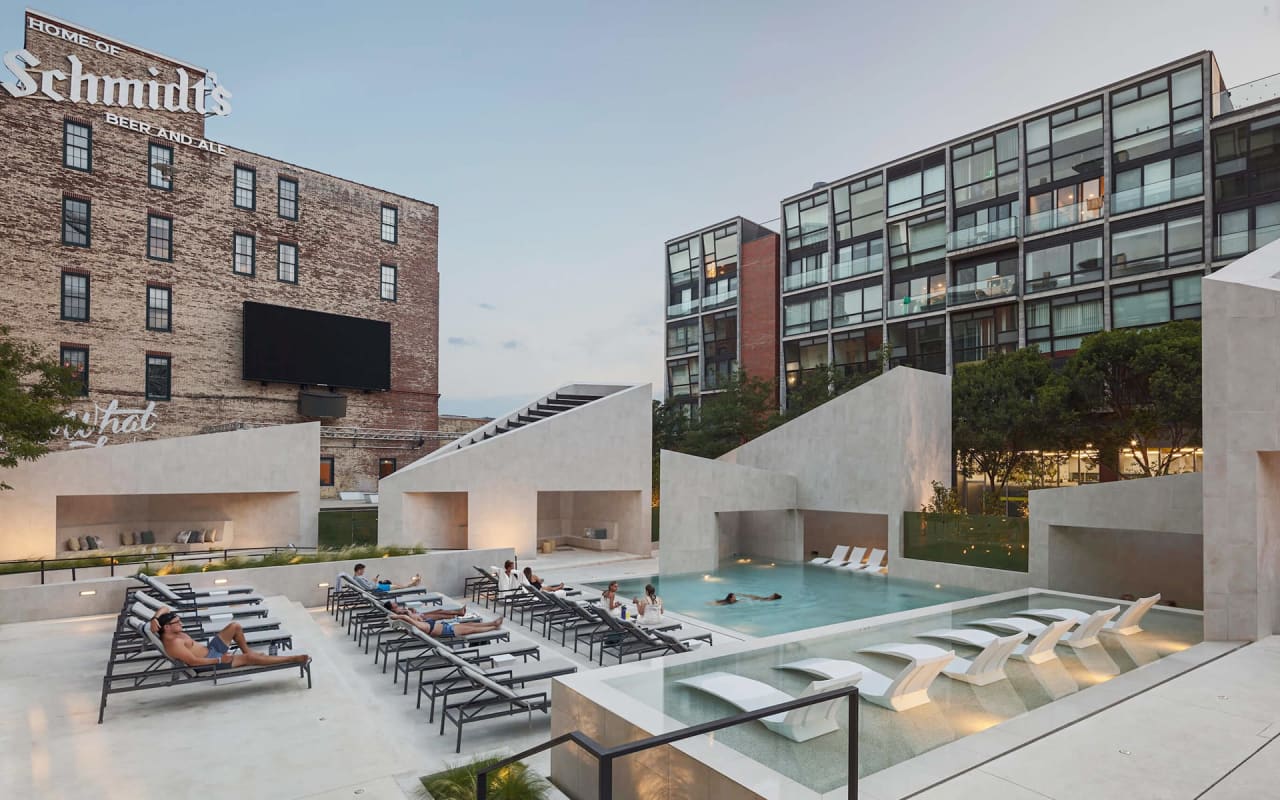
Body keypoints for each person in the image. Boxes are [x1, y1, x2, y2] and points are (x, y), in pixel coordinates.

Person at [150, 607, 309, 668]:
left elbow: (165, 608)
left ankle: (249, 652)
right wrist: (219, 660)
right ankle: (292, 659)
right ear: (167, 627)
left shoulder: (170, 629)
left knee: (235, 626)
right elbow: (193, 662)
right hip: (209, 662)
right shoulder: (174, 643)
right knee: (248, 659)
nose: (181, 623)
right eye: (176, 622)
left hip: (210, 649)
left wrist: (154, 618)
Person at [386, 604, 504, 638]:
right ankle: (494, 627)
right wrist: (397, 617)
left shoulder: (418, 626)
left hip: (445, 627)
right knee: (472, 629)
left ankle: (493, 623)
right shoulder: (420, 626)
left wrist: (402, 616)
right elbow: (406, 618)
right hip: (448, 631)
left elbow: (408, 619)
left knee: (470, 624)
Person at [350, 562, 420, 592]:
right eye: (362, 570)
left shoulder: (355, 578)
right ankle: (413, 583)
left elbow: (367, 586)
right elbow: (369, 588)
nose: (363, 571)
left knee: (397, 585)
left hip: (378, 586)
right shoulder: (358, 579)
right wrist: (374, 581)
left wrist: (373, 581)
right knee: (398, 586)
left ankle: (413, 583)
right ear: (359, 570)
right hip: (377, 589)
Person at [382, 599, 468, 621]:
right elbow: (409, 616)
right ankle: (458, 616)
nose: (394, 602)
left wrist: (411, 609)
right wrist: (409, 611)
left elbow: (409, 612)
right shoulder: (397, 612)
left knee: (440, 610)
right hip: (421, 618)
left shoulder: (398, 609)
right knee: (440, 616)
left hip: (420, 614)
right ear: (392, 607)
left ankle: (459, 612)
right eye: (392, 603)